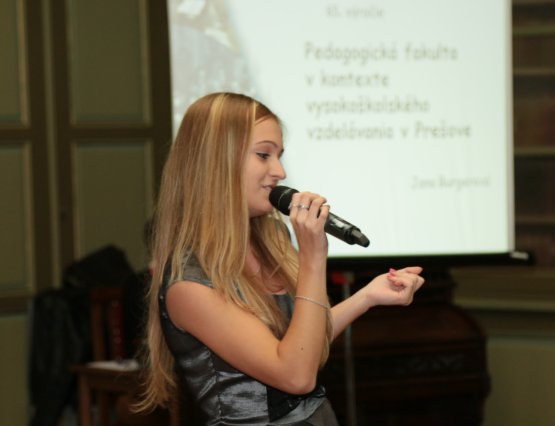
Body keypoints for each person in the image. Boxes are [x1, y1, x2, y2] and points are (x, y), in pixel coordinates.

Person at [136, 92, 425, 425]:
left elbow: (302, 344)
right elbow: (296, 376)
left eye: (279, 156)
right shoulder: (189, 283)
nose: (280, 172)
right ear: (216, 162)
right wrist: (313, 258)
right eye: (263, 155)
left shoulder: (271, 239)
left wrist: (367, 297)